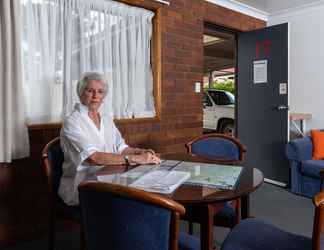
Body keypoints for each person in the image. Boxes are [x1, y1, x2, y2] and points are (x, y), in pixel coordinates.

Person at [59, 72, 161, 206]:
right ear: (80, 93)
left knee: (151, 188)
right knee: (140, 199)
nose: (95, 96)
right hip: (84, 187)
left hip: (111, 179)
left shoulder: (106, 119)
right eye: (90, 90)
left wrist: (139, 152)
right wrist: (134, 159)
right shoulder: (72, 121)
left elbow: (121, 148)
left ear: (104, 96)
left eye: (100, 92)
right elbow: (93, 158)